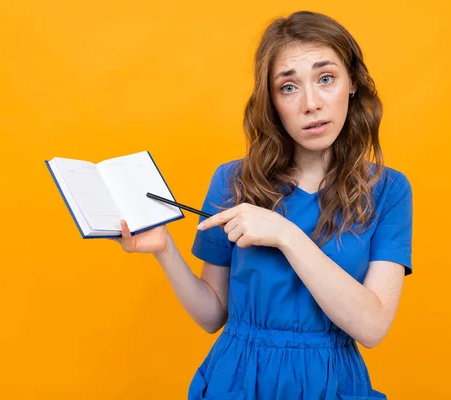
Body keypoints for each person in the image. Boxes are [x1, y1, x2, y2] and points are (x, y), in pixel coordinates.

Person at [113, 10, 413, 400]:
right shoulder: (232, 180)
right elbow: (212, 315)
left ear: (352, 82)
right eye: (288, 87)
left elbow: (372, 327)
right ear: (271, 101)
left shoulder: (388, 189)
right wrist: (165, 250)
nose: (311, 104)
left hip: (330, 385)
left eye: (326, 79)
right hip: (236, 380)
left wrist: (285, 234)